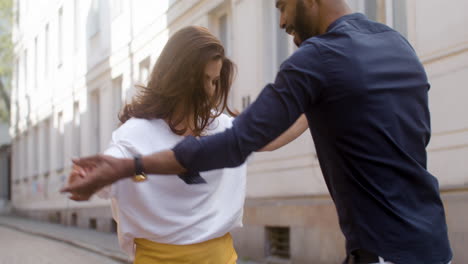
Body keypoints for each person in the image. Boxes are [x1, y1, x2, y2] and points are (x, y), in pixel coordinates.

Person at [62, 1, 453, 263]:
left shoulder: (316, 60)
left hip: (383, 251)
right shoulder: (397, 45)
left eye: (282, 4)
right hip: (433, 243)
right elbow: (416, 136)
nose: (281, 21)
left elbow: (236, 144)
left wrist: (131, 166)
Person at [67, 26, 306, 263]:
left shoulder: (221, 125)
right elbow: (107, 170)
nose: (211, 91)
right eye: (206, 81)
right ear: (179, 79)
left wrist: (316, 102)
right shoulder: (134, 133)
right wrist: (84, 175)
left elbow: (272, 136)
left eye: (215, 81)